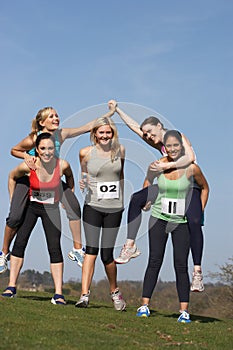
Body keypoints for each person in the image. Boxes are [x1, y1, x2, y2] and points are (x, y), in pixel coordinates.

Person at [0, 105, 115, 274]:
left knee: (74, 207)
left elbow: (88, 126)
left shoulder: (61, 134)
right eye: (51, 116)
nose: (56, 118)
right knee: (16, 216)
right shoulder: (33, 138)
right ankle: (3, 253)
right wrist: (26, 155)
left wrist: (110, 113)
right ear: (41, 122)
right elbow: (14, 150)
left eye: (57, 115)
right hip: (29, 179)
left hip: (52, 177)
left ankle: (77, 250)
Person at [109, 100, 206, 292]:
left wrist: (166, 166)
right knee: (137, 199)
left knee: (194, 221)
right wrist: (118, 110)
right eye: (146, 134)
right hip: (170, 185)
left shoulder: (176, 136)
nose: (149, 137)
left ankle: (197, 273)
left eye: (151, 133)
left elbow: (191, 157)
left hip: (189, 186)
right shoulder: (158, 142)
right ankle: (130, 245)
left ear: (160, 126)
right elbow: (135, 127)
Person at [136, 130, 209, 322]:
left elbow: (205, 188)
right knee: (154, 261)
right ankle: (144, 305)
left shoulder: (192, 168)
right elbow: (147, 180)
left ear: (182, 147)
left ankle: (183, 310)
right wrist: (147, 198)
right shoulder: (158, 165)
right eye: (169, 146)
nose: (173, 149)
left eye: (177, 145)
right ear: (164, 148)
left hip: (181, 221)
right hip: (159, 218)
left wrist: (199, 210)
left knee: (180, 265)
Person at [1, 133, 76, 304]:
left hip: (51, 209)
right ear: (37, 150)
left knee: (54, 247)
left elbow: (70, 178)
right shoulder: (29, 165)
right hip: (32, 208)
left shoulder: (62, 165)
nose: (47, 152)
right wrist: (14, 201)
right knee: (20, 243)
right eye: (43, 148)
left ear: (55, 149)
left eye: (50, 148)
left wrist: (69, 196)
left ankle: (58, 294)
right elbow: (12, 177)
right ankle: (11, 286)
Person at [75, 117, 126, 311]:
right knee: (91, 250)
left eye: (108, 132)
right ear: (95, 133)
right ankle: (84, 295)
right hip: (92, 206)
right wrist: (83, 182)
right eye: (101, 132)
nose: (105, 136)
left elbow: (121, 175)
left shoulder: (120, 151)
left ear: (113, 134)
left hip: (114, 208)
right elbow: (84, 174)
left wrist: (121, 201)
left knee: (107, 254)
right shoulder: (85, 153)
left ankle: (115, 292)